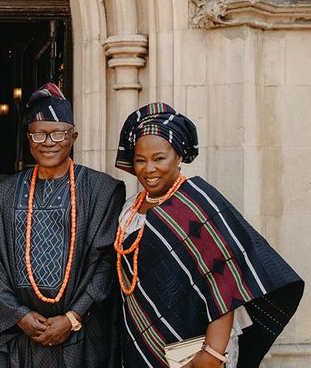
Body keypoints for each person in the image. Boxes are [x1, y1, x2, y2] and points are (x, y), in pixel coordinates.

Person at [114, 103, 304, 367]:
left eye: (159, 158)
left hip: (196, 350)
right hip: (142, 342)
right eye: (140, 160)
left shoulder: (198, 202)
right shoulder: (128, 209)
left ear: (178, 156)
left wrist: (214, 352)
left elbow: (225, 280)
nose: (149, 169)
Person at [0, 83, 125, 367]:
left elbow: (106, 263)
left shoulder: (101, 190)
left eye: (58, 133)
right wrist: (18, 315)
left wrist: (73, 316)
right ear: (28, 138)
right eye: (39, 134)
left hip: (82, 333)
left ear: (73, 136)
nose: (48, 142)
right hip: (23, 335)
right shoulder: (6, 193)